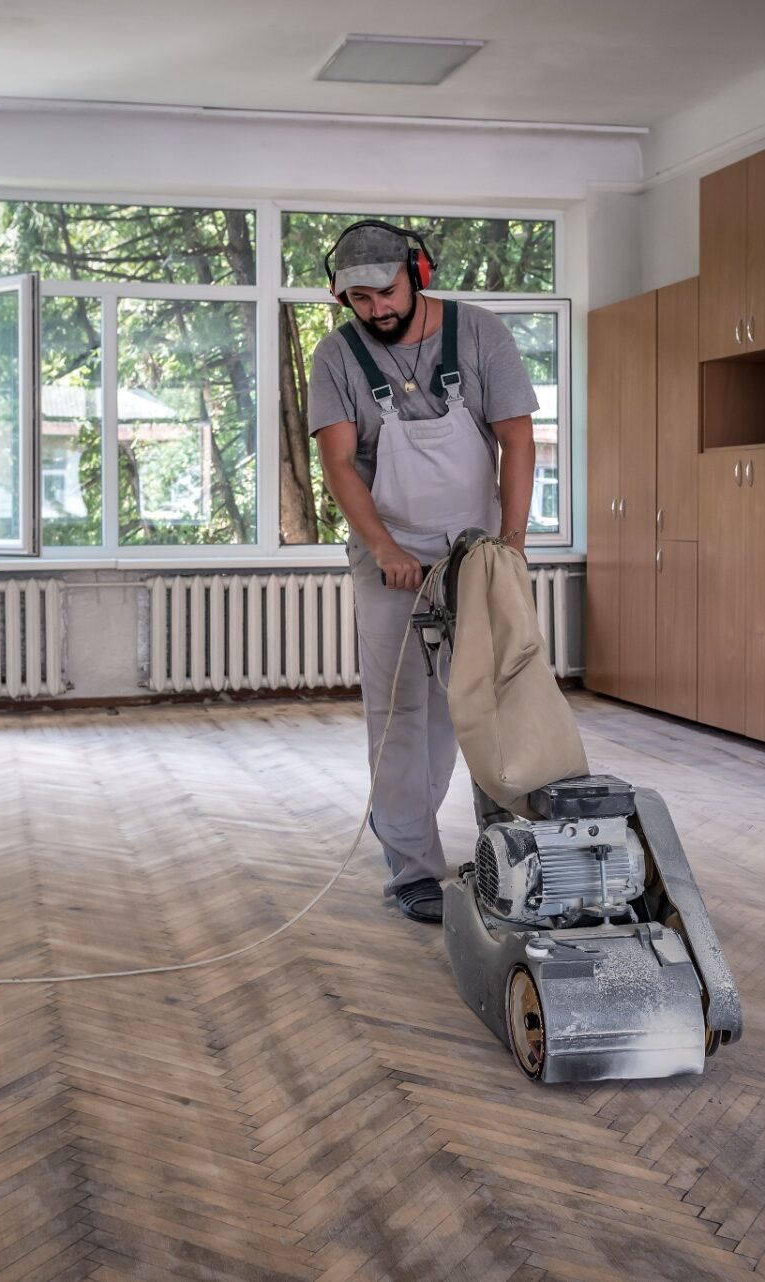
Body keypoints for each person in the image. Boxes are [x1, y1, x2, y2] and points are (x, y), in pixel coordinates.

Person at [306, 221, 539, 924]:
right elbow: (340, 463)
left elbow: (517, 439)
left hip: (477, 552)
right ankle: (412, 866)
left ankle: (510, 855)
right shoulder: (337, 357)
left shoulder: (478, 335)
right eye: (358, 299)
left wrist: (513, 541)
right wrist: (382, 547)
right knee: (402, 714)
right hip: (391, 554)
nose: (375, 309)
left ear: (418, 272)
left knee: (492, 704)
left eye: (385, 292)